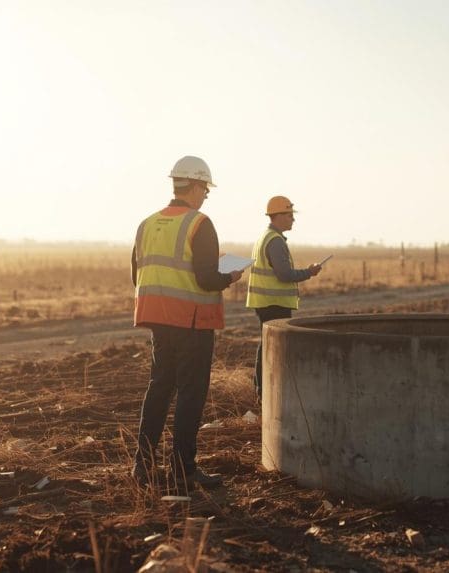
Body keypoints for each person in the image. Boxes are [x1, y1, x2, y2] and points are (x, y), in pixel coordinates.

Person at [131, 155, 243, 492]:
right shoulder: (199, 223)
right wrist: (231, 275)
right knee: (190, 394)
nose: (206, 195)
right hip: (192, 321)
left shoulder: (147, 223)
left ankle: (143, 465)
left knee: (159, 388)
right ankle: (183, 469)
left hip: (157, 318)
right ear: (193, 186)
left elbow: (138, 273)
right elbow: (207, 279)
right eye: (205, 188)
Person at [246, 196, 321, 402]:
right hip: (273, 303)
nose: (292, 220)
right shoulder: (275, 241)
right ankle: (266, 392)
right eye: (289, 215)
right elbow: (284, 275)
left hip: (265, 302)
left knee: (266, 344)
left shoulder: (266, 237)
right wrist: (309, 272)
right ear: (277, 216)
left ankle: (262, 390)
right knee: (274, 347)